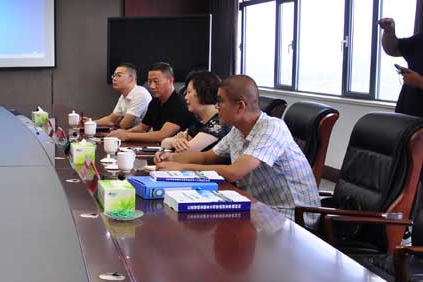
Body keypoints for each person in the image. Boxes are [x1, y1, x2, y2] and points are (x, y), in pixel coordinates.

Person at [154, 75, 319, 219]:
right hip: (257, 205)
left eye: (220, 101)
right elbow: (207, 157)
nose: (216, 106)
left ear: (240, 106)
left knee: (205, 224)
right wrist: (171, 157)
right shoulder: (238, 130)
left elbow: (234, 172)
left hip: (291, 216)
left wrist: (182, 167)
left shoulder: (272, 128)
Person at [109, 62, 194, 143]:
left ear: (170, 81)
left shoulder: (180, 104)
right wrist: (123, 132)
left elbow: (162, 135)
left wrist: (127, 135)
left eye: (156, 82)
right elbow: (143, 127)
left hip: (179, 149)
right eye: (149, 81)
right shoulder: (155, 101)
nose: (152, 86)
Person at [160, 71, 229, 153]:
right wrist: (174, 142)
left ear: (202, 92)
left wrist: (176, 143)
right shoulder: (200, 123)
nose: (185, 97)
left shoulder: (218, 123)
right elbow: (164, 142)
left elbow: (185, 152)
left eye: (189, 92)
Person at [379, 17, 423, 116]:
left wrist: (419, 82)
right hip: (409, 112)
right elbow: (393, 49)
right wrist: (389, 31)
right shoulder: (420, 38)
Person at [92, 63, 151, 129]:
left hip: (142, 134)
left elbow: (124, 125)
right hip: (128, 132)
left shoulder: (140, 94)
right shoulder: (123, 95)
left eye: (119, 75)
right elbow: (111, 120)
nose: (114, 78)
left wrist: (117, 121)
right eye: (114, 75)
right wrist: (90, 122)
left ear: (131, 78)